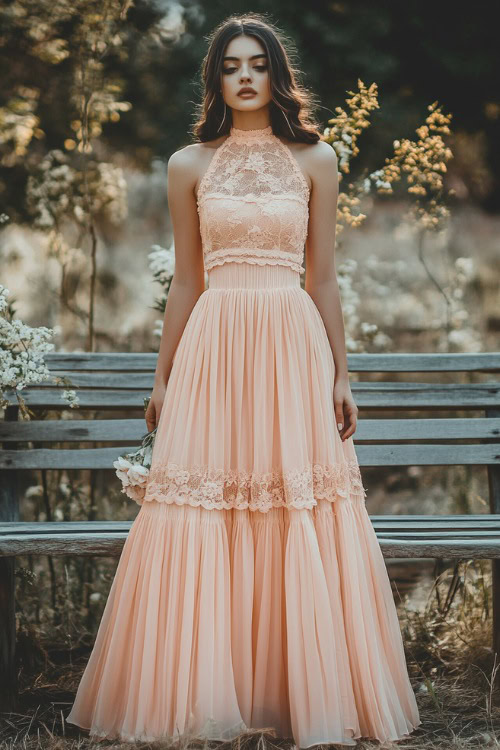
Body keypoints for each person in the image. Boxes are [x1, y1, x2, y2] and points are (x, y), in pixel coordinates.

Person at [66, 13, 421, 748]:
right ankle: (203, 698)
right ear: (216, 79)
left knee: (291, 500)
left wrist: (342, 373)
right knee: (209, 502)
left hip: (291, 343)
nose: (247, 76)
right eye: (232, 65)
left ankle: (296, 694)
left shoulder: (315, 158)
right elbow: (187, 282)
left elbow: (323, 279)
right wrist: (163, 377)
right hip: (214, 346)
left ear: (276, 74)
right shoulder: (187, 164)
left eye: (258, 63)